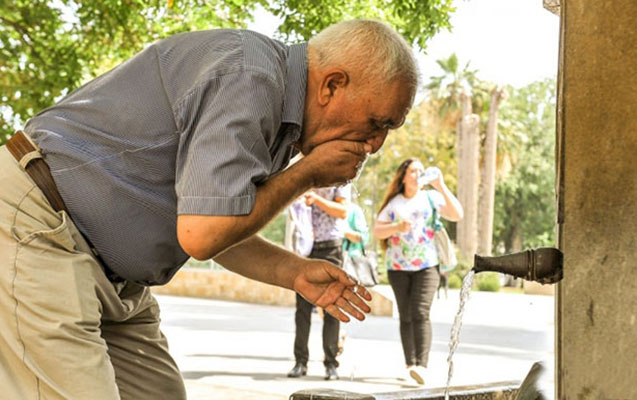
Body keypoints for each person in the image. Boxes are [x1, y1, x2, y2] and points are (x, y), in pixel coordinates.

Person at [0, 19, 418, 399]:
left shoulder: (279, 118)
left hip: (112, 273)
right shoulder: (250, 79)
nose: (375, 144)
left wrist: (294, 272)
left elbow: (211, 224)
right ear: (332, 85)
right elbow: (204, 234)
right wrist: (307, 175)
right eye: (377, 122)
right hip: (39, 225)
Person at [373, 158, 463, 385]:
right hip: (397, 267)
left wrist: (440, 185)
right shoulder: (394, 203)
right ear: (403, 176)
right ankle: (410, 364)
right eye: (413, 171)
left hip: (427, 265)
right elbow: (377, 231)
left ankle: (422, 365)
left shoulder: (431, 197)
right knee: (405, 315)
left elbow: (457, 214)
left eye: (421, 171)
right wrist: (396, 227)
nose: (417, 174)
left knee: (420, 312)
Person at [288, 186, 350, 380]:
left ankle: (331, 363)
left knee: (332, 308)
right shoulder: (305, 177)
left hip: (331, 247)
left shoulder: (340, 179)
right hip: (305, 247)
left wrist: (316, 199)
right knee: (302, 309)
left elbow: (343, 211)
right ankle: (300, 362)